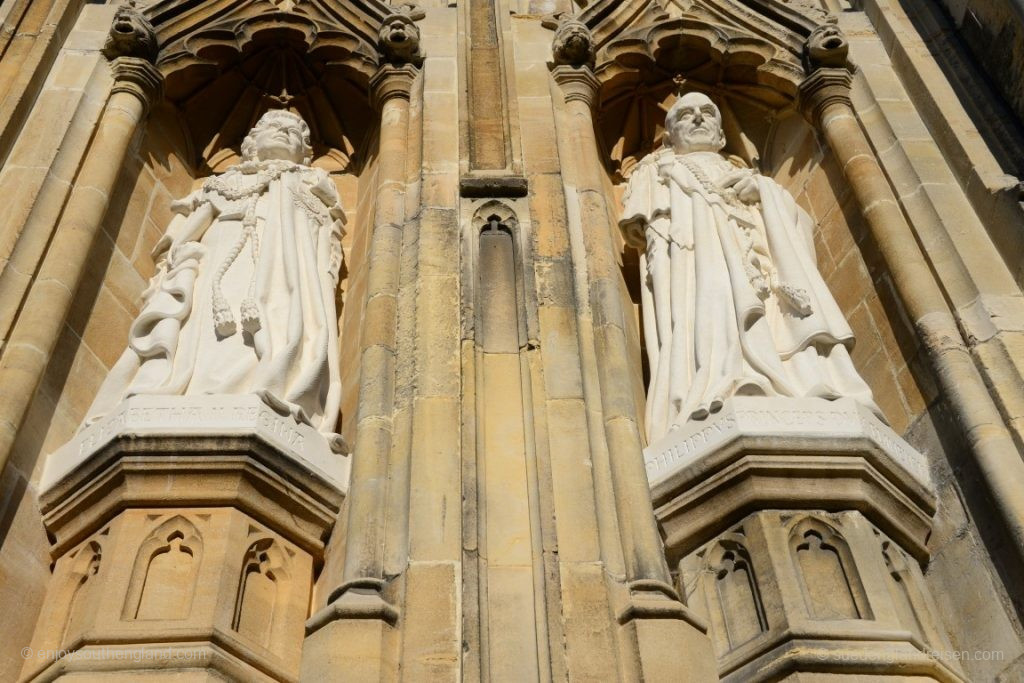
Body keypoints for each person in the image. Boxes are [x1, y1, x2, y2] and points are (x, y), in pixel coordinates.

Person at [620, 92, 879, 444]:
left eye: (708, 112)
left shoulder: (749, 177)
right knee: (712, 310)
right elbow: (647, 231)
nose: (698, 118)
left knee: (773, 314)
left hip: (760, 265)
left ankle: (797, 383)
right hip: (698, 263)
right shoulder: (658, 171)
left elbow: (799, 226)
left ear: (722, 135)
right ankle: (715, 386)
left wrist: (762, 192)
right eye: (685, 115)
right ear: (669, 137)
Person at [85, 109, 346, 449]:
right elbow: (197, 222)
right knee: (209, 331)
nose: (283, 133)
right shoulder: (225, 182)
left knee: (273, 326)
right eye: (272, 127)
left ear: (304, 151)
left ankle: (263, 387)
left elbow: (321, 239)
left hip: (282, 267)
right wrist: (180, 254)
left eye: (292, 132)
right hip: (222, 255)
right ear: (251, 144)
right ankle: (200, 390)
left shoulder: (310, 184)